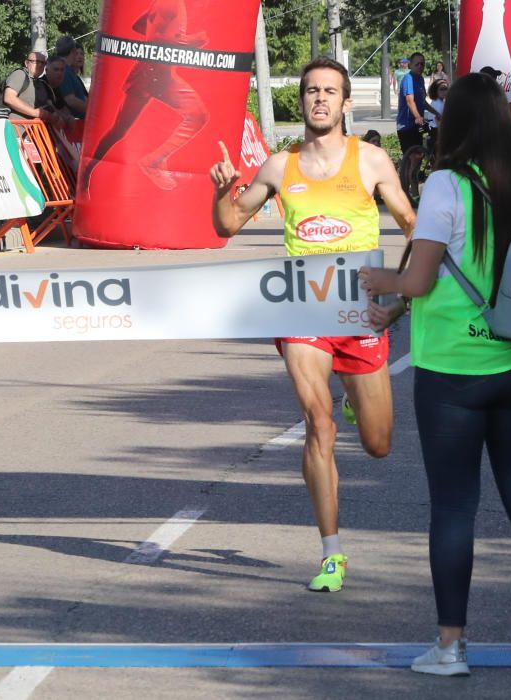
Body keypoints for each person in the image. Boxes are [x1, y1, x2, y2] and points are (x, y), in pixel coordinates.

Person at [358, 71, 511, 679]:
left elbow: (420, 277)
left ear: (452, 125)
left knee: (454, 509)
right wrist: (404, 303)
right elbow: (473, 271)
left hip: (453, 373)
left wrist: (384, 285)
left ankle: (450, 648)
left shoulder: (445, 184)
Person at [210, 56, 415, 593]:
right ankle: (331, 553)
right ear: (299, 101)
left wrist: (402, 296)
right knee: (317, 423)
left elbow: (417, 229)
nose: (320, 99)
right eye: (310, 91)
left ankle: (354, 397)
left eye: (330, 91)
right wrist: (222, 191)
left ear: (346, 103)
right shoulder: (280, 167)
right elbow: (228, 224)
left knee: (378, 444)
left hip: (360, 315)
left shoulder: (371, 161)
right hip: (302, 312)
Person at [79, 0, 209, 193]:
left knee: (198, 115)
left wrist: (158, 40)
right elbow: (163, 38)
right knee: (119, 130)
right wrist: (197, 39)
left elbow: (139, 26)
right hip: (151, 74)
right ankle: (87, 173)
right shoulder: (171, 3)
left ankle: (152, 161)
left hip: (159, 74)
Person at [396, 52, 439, 157]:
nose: (420, 66)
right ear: (410, 65)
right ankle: (407, 173)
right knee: (412, 156)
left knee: (418, 155)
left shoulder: (420, 79)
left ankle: (414, 173)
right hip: (406, 124)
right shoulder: (408, 79)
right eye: (417, 64)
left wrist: (436, 113)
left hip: (417, 124)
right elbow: (410, 100)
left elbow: (422, 101)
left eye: (422, 64)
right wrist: (418, 116)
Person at [1, 51, 52, 121]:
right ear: (26, 63)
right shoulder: (20, 74)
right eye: (35, 61)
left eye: (43, 63)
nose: (39, 65)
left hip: (34, 129)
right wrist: (35, 113)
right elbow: (9, 98)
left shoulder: (41, 83)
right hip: (17, 129)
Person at [54, 35, 88, 118]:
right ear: (73, 51)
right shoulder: (64, 71)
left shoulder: (69, 72)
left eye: (82, 54)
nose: (79, 56)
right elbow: (70, 100)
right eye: (77, 53)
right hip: (73, 124)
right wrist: (92, 111)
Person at [425, 78, 448, 155]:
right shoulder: (438, 104)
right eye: (442, 89)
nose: (445, 91)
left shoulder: (441, 102)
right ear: (436, 91)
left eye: (446, 88)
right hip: (436, 131)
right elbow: (437, 120)